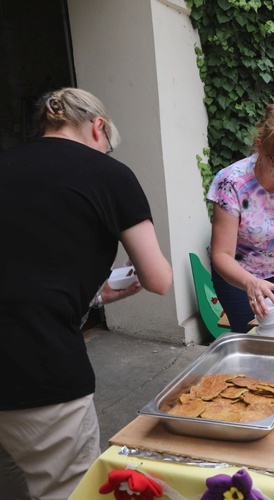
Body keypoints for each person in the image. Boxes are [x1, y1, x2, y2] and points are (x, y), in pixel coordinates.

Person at [0, 87, 173, 498]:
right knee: (67, 489)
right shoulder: (109, 174)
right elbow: (158, 278)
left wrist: (91, 296)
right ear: (98, 128)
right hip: (39, 367)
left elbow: (24, 264)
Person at [208, 102, 274, 332]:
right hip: (237, 278)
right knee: (249, 337)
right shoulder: (232, 182)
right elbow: (221, 254)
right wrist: (250, 282)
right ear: (260, 146)